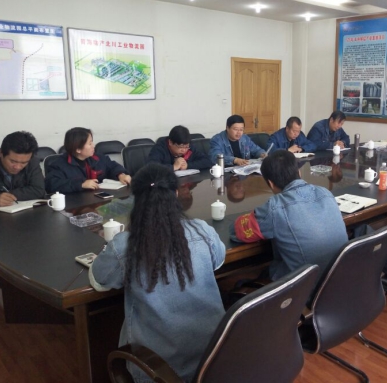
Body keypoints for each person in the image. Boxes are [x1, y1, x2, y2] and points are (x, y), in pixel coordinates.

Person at [89, 163, 225, 382]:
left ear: (136, 199)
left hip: (157, 369)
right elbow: (218, 261)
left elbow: (99, 281)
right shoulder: (202, 230)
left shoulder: (125, 246)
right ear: (176, 193)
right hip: (215, 359)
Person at [231, 150, 348, 280]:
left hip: (303, 286)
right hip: (340, 278)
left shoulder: (275, 207)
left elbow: (239, 231)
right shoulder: (325, 193)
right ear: (299, 172)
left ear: (270, 183)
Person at [45, 127, 131, 194]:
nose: (93, 146)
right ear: (78, 149)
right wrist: (81, 184)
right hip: (76, 205)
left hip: (98, 201)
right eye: (90, 143)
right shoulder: (58, 165)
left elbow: (112, 166)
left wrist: (121, 175)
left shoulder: (97, 157)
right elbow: (51, 185)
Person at [0, 131, 45, 208]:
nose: (18, 167)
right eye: (13, 161)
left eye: (23, 162)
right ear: (1, 153)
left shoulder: (32, 161)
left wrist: (8, 195)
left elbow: (38, 190)